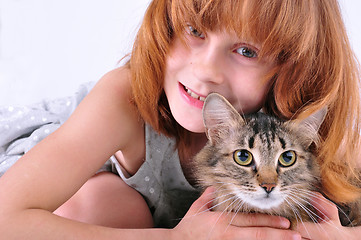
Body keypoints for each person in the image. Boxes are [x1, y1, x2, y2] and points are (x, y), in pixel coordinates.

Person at [0, 0, 360, 239]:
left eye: (247, 50)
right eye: (195, 31)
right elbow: (6, 219)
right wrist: (176, 237)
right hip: (58, 185)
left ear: (295, 66)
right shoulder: (124, 99)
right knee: (108, 203)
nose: (204, 70)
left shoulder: (312, 123)